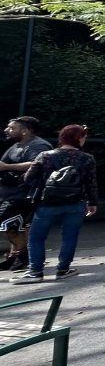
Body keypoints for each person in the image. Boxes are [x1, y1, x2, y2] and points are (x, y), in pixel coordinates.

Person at [13, 124, 98, 284]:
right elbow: (91, 183)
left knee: (36, 237)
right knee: (69, 236)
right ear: (78, 138)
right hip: (75, 202)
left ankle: (35, 271)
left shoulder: (45, 156)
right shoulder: (87, 158)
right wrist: (92, 202)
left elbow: (27, 179)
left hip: (47, 203)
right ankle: (63, 269)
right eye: (84, 137)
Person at [0, 116, 52, 272]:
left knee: (5, 224)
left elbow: (36, 163)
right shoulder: (16, 146)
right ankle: (16, 257)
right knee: (15, 226)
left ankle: (23, 254)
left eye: (12, 127)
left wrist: (7, 166)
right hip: (9, 193)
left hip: (24, 193)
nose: (7, 130)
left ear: (25, 130)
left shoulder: (39, 145)